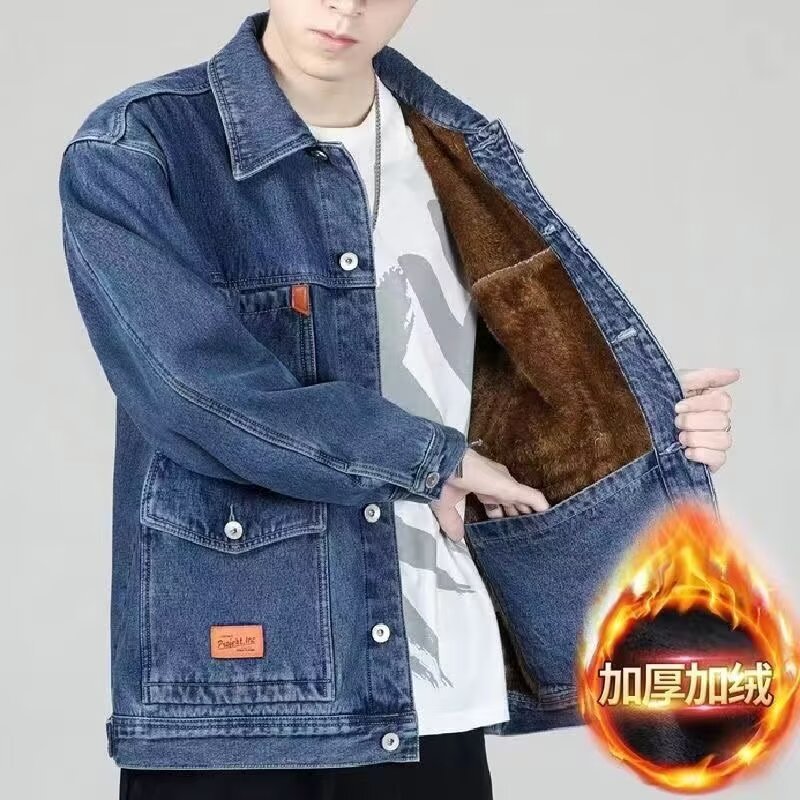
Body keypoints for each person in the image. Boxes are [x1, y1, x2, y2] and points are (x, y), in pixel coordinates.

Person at [59, 3, 736, 798]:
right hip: (249, 703)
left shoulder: (457, 153)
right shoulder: (138, 149)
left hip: (439, 694)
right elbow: (194, 392)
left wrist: (643, 421)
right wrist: (430, 460)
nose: (346, 3)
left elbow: (498, 405)